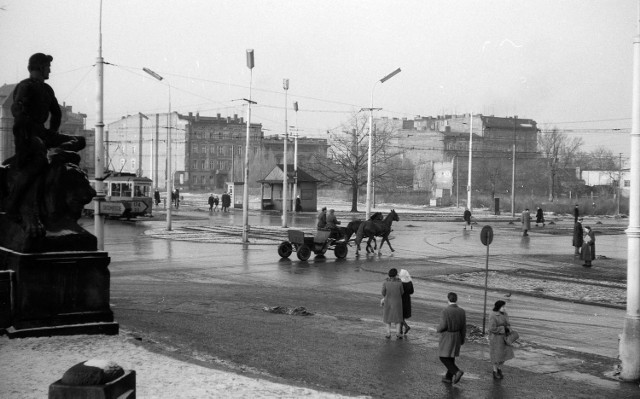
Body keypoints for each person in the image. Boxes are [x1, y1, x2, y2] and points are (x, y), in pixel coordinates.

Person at [5, 53, 85, 235]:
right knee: (38, 163)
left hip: (43, 133)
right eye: (48, 66)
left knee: (79, 141)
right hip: (27, 133)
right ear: (40, 67)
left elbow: (56, 113)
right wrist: (27, 140)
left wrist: (54, 135)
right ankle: (13, 204)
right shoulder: (25, 86)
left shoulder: (47, 89)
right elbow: (18, 114)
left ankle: (55, 157)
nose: (50, 69)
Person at [436, 292, 466, 384]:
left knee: (443, 357)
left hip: (447, 335)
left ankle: (457, 372)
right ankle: (448, 377)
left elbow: (443, 325)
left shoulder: (445, 311)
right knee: (451, 356)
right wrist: (462, 339)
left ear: (448, 299)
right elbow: (463, 327)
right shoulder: (461, 311)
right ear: (456, 299)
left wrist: (438, 329)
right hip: (457, 335)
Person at [488, 300, 515, 380]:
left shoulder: (505, 314)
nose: (504, 308)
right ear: (498, 307)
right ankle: (495, 371)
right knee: (496, 356)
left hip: (504, 338)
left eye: (504, 306)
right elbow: (492, 328)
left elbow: (508, 324)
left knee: (504, 355)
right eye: (503, 307)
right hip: (496, 338)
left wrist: (509, 329)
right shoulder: (493, 315)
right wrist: (503, 328)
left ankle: (499, 368)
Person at [380, 268, 404, 339]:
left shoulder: (385, 282)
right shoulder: (399, 283)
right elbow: (402, 292)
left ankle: (388, 333)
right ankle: (398, 333)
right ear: (396, 274)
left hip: (388, 301)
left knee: (388, 318)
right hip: (397, 302)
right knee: (398, 318)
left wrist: (386, 296)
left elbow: (383, 292)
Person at [399, 269, 414, 336]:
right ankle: (400, 330)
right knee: (403, 315)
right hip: (407, 299)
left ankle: (405, 327)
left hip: (400, 299)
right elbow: (412, 292)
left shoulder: (400, 282)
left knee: (400, 316)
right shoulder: (410, 282)